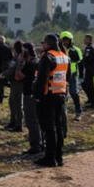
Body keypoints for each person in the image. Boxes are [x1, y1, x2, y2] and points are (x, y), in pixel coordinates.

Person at [33, 33, 68, 167]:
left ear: (48, 44)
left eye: (43, 43)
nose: (42, 45)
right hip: (60, 95)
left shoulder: (48, 57)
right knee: (58, 127)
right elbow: (67, 77)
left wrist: (37, 96)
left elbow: (42, 78)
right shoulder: (64, 57)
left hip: (48, 96)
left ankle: (50, 158)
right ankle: (58, 157)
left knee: (48, 128)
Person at [18, 42, 42, 155]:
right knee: (37, 120)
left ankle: (35, 146)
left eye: (23, 51)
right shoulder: (37, 62)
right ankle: (40, 143)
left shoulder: (30, 63)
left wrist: (19, 62)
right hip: (36, 94)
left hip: (29, 94)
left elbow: (18, 76)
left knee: (31, 120)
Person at [59, 31, 83, 121]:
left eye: (67, 40)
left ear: (71, 40)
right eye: (63, 40)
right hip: (62, 74)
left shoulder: (75, 50)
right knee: (62, 94)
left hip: (72, 74)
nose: (65, 42)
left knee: (74, 92)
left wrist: (81, 77)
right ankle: (62, 113)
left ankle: (78, 112)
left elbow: (80, 62)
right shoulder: (58, 50)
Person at [5, 40, 25, 131]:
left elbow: (12, 68)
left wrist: (3, 74)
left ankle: (18, 124)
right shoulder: (21, 57)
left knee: (16, 104)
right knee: (13, 103)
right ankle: (13, 122)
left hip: (17, 83)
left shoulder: (19, 58)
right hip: (16, 83)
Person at [81, 34, 94, 109]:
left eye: (85, 39)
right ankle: (91, 100)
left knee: (88, 86)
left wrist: (82, 61)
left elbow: (87, 58)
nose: (84, 40)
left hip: (90, 69)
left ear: (89, 40)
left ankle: (93, 103)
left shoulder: (89, 48)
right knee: (87, 85)